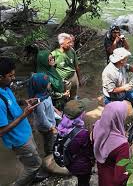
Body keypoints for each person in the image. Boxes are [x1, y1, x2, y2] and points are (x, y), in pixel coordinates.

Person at [0, 57, 42, 186]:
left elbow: (11, 101)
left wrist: (23, 102)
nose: (13, 78)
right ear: (0, 77)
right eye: (10, 76)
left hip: (25, 132)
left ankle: (32, 176)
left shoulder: (5, 87)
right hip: (19, 140)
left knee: (33, 158)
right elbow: (1, 131)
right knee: (35, 165)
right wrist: (24, 115)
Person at [57, 100, 94, 186]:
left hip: (68, 161)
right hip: (81, 166)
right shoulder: (82, 133)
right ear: (79, 116)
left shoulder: (62, 125)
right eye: (83, 113)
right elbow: (88, 151)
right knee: (83, 182)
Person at [93, 101, 130, 186]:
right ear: (120, 117)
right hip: (112, 181)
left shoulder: (97, 125)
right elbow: (119, 178)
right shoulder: (122, 146)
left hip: (102, 174)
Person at [102, 47, 133, 116]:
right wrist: (124, 88)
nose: (127, 59)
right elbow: (111, 90)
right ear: (121, 60)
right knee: (115, 115)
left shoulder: (121, 64)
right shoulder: (109, 72)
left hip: (124, 91)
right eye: (126, 58)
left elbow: (128, 67)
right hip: (112, 97)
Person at [28, 73, 57, 156]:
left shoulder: (45, 94)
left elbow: (50, 105)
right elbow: (42, 119)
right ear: (41, 85)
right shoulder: (39, 102)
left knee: (50, 140)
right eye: (48, 83)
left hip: (50, 122)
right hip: (46, 128)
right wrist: (52, 128)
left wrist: (55, 110)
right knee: (49, 142)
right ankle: (49, 155)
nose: (50, 84)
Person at [51, 33, 82, 99]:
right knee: (64, 98)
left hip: (73, 77)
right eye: (68, 43)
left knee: (74, 96)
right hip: (64, 81)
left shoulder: (72, 51)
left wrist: (79, 80)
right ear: (61, 44)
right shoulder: (54, 55)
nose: (71, 44)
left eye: (71, 42)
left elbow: (76, 66)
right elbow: (51, 71)